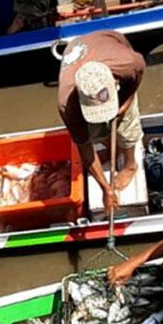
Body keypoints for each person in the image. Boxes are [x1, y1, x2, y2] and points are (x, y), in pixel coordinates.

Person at [57, 30, 146, 213]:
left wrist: (124, 105)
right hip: (77, 49)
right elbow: (84, 146)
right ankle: (110, 146)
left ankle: (130, 165)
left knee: (127, 125)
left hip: (109, 44)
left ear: (115, 81)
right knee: (94, 132)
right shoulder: (68, 105)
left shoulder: (130, 63)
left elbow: (135, 81)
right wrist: (105, 188)